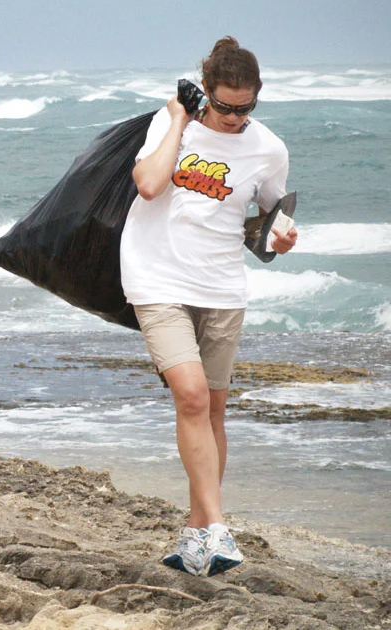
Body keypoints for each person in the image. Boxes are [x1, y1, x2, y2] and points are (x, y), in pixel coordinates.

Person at [121, 36, 298, 577]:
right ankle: (219, 528)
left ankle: (198, 536)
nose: (233, 118)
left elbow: (266, 225)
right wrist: (179, 119)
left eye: (245, 108)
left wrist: (281, 240)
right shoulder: (170, 123)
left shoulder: (269, 149)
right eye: (223, 106)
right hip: (156, 279)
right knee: (193, 397)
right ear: (205, 91)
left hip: (222, 287)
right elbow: (149, 184)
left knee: (213, 411)